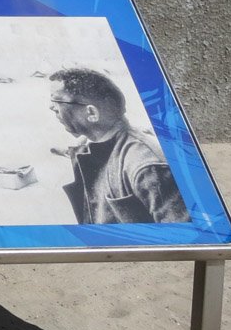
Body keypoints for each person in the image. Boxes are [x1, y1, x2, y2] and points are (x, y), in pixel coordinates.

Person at [49, 68, 189, 224]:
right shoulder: (94, 142)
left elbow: (181, 237)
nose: (52, 107)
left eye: (57, 101)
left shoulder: (146, 166)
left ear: (92, 113)